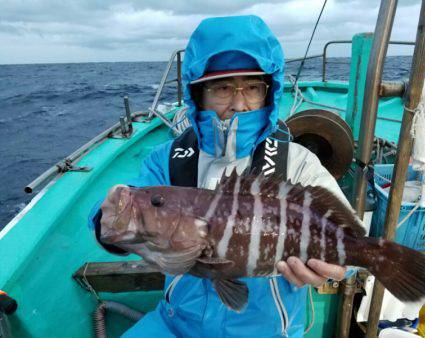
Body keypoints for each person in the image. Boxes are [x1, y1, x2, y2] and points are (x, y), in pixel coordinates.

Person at [89, 15, 352, 337]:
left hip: (268, 331)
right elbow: (133, 206)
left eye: (253, 87)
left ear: (269, 92)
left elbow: (345, 235)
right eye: (223, 87)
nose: (240, 103)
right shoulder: (169, 159)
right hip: (175, 323)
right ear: (199, 93)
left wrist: (337, 268)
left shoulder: (297, 163)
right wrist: (104, 222)